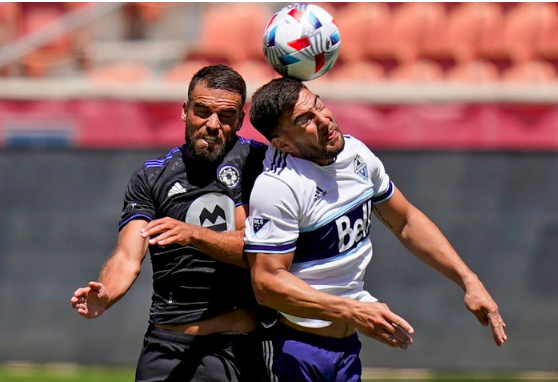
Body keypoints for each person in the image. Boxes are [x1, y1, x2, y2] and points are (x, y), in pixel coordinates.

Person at [244, 77, 508, 382]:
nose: (324, 119)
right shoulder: (279, 186)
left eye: (319, 104)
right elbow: (266, 284)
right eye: (304, 119)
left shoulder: (355, 154)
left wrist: (468, 280)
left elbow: (405, 220)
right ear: (282, 144)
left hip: (345, 348)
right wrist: (353, 310)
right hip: (294, 351)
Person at [71, 64, 269, 382]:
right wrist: (105, 293)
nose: (213, 124)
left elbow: (262, 252)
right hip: (163, 349)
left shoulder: (260, 165)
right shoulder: (152, 176)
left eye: (226, 116)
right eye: (202, 111)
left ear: (240, 120)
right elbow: (126, 256)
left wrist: (194, 234)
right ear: (184, 110)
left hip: (232, 348)